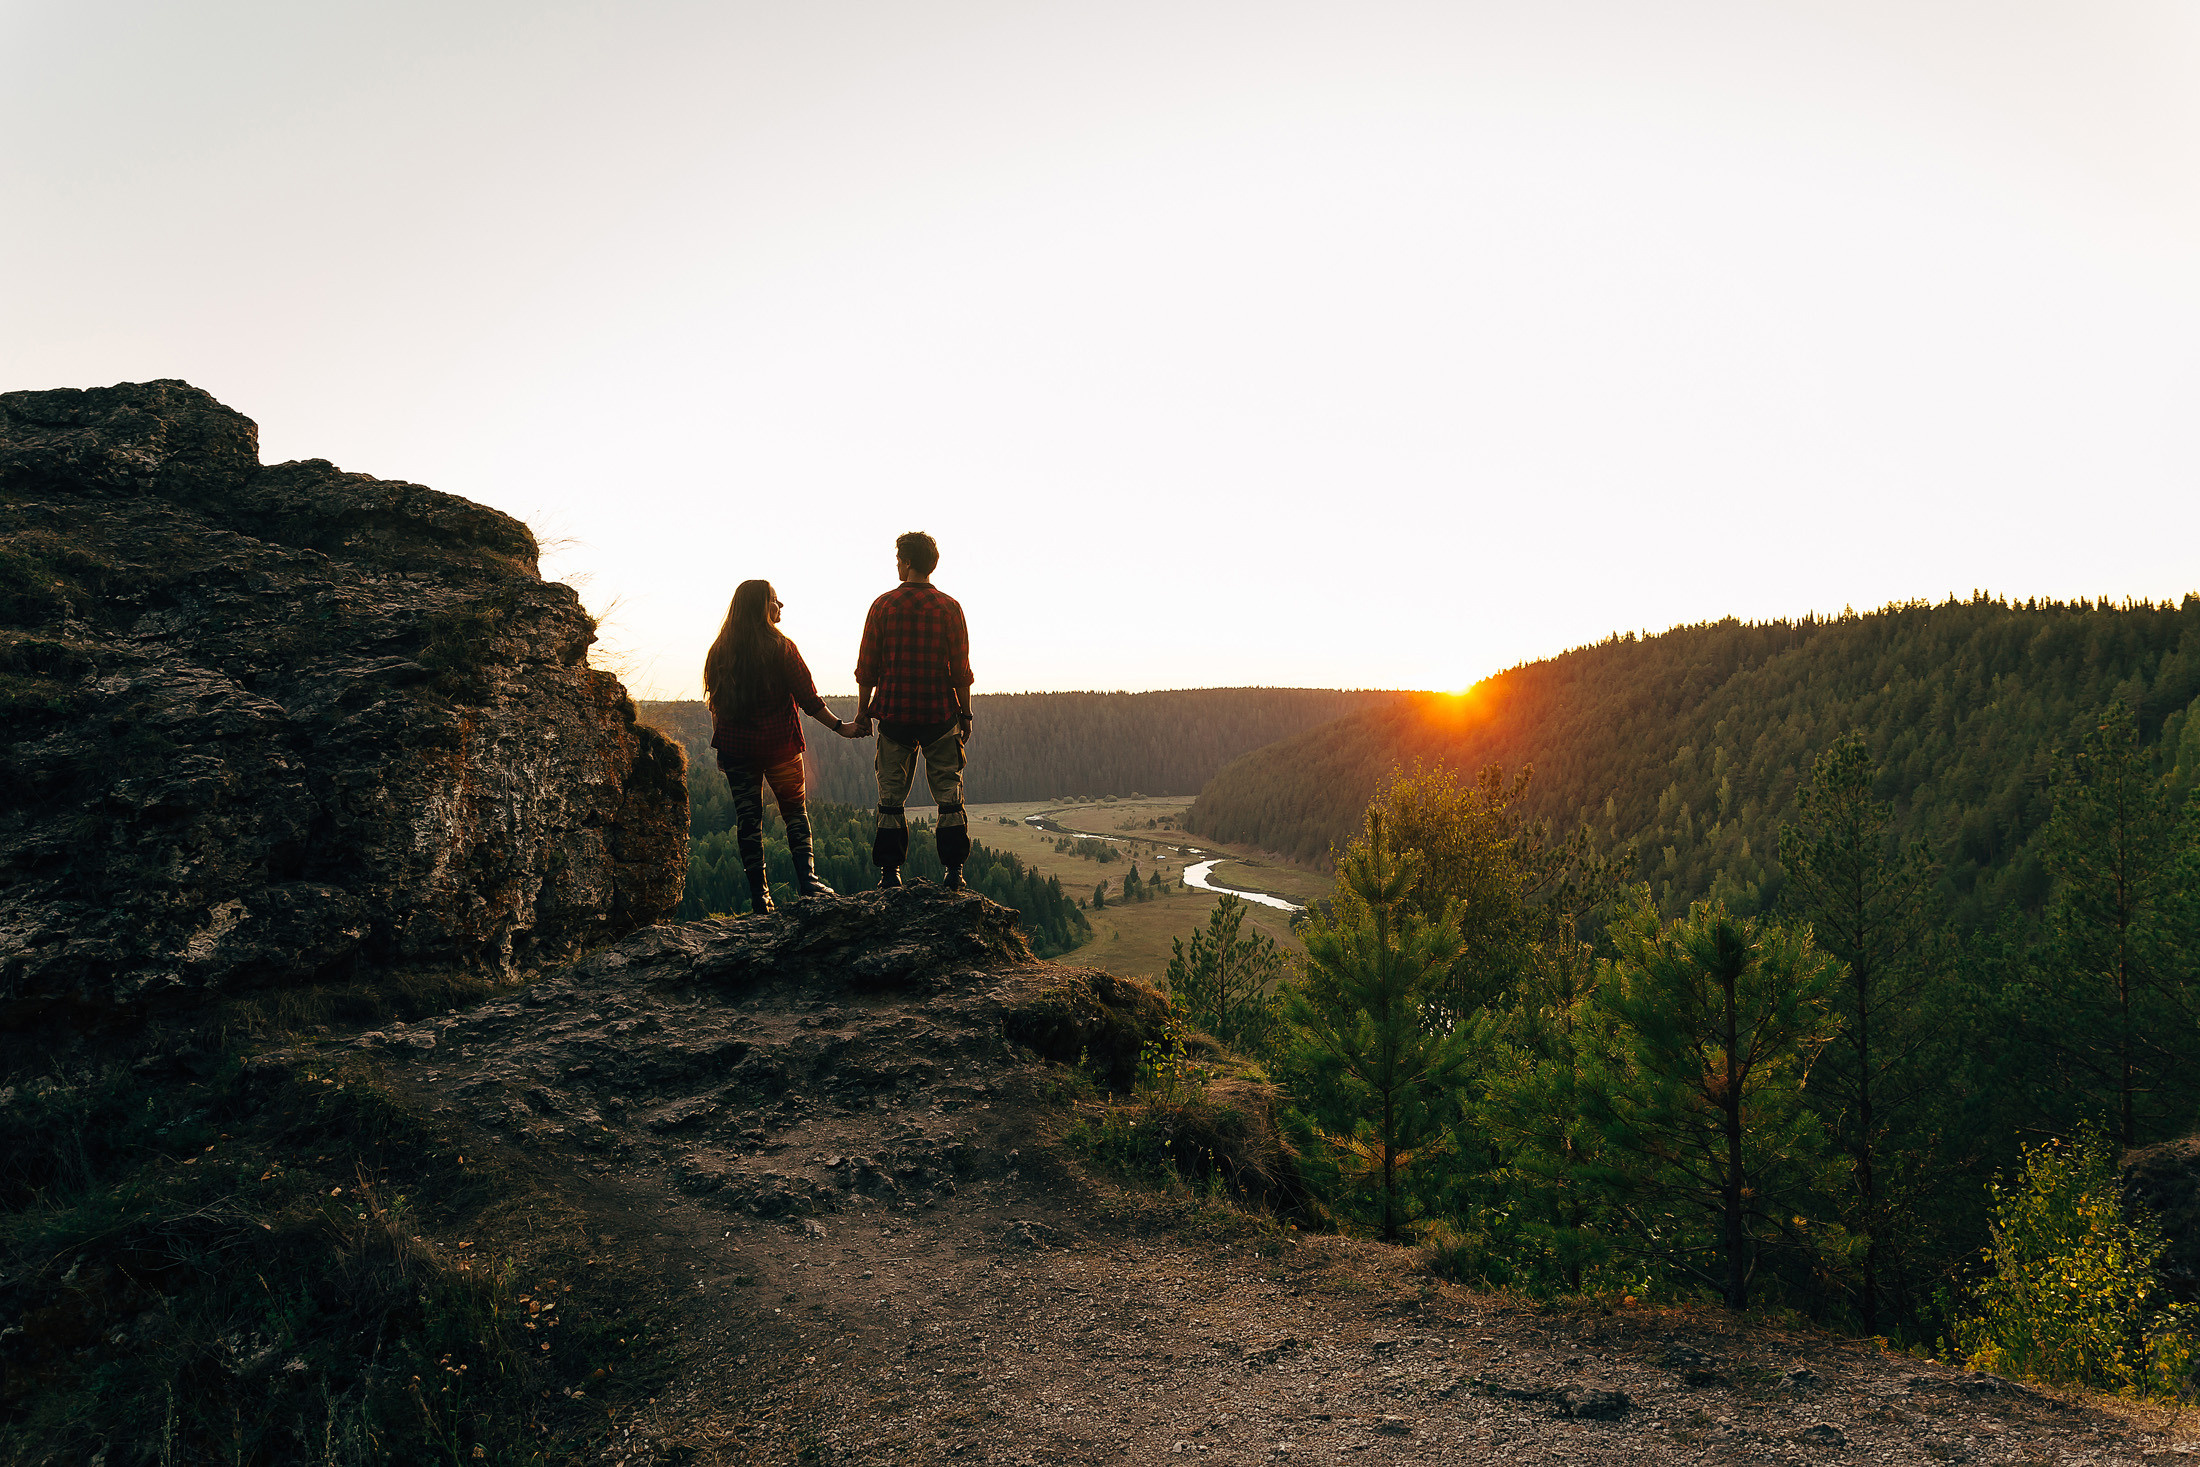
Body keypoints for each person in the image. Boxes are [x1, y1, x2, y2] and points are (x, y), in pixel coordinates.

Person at [702, 579, 867, 912]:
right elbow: (808, 699)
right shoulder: (782, 647)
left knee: (748, 821)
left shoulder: (720, 649)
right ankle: (808, 883)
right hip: (780, 747)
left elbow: (715, 704)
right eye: (776, 601)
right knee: (795, 814)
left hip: (737, 750)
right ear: (763, 606)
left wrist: (721, 747)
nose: (781, 607)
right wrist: (840, 727)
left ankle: (760, 897)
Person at [852, 531, 973, 890]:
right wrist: (965, 714)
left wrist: (863, 713)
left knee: (890, 797)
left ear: (905, 562)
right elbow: (960, 670)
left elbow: (867, 667)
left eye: (898, 560)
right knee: (949, 796)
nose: (897, 565)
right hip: (940, 715)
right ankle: (954, 872)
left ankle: (890, 875)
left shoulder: (883, 606)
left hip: (894, 714)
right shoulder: (950, 607)